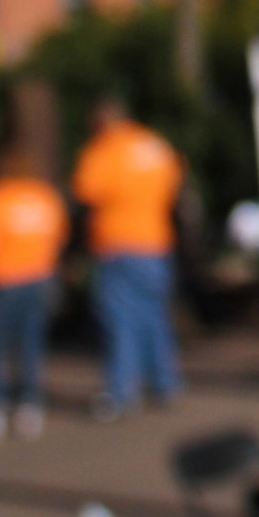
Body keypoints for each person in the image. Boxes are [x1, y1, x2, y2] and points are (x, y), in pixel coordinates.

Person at [71, 96, 185, 419]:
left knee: (120, 320)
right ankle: (165, 383)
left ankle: (122, 393)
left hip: (117, 244)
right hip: (155, 242)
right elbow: (174, 187)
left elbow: (85, 196)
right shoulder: (154, 145)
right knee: (153, 315)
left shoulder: (104, 150)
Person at [0, 146, 67, 442]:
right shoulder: (45, 196)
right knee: (31, 343)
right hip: (41, 277)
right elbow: (58, 237)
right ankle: (29, 407)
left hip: (6, 278)